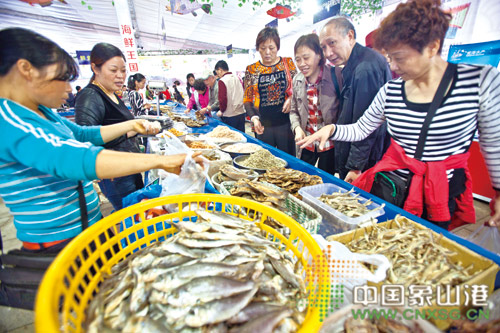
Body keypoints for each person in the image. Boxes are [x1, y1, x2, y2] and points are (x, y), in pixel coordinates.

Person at [0, 28, 204, 307]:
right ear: (26, 70)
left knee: (105, 297)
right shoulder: (8, 120)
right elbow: (74, 158)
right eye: (62, 78)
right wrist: (160, 161)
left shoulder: (41, 112)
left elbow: (83, 135)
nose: (70, 89)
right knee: (83, 309)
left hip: (87, 230)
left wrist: (132, 124)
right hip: (58, 244)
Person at [298, 0, 500, 230]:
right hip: (394, 187)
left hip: (443, 190)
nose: (392, 66)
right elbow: (363, 127)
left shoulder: (479, 81)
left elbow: (494, 143)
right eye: (389, 57)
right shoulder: (392, 91)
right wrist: (332, 130)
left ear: (432, 47)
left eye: (399, 57)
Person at [319, 16, 391, 183]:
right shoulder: (355, 63)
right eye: (323, 47)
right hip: (352, 149)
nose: (328, 53)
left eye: (332, 43)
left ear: (349, 36)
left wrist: (355, 166)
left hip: (364, 162)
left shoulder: (366, 68)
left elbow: (365, 124)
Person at [74, 44, 144, 211]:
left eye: (123, 70)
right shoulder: (90, 95)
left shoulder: (110, 92)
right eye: (113, 70)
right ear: (95, 68)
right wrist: (130, 131)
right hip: (115, 174)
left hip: (128, 166)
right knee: (130, 216)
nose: (120, 76)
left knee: (137, 213)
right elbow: (86, 138)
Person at [243, 27, 297, 156]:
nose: (267, 52)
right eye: (262, 48)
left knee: (288, 159)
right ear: (258, 48)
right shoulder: (252, 69)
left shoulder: (288, 64)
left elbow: (299, 88)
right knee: (266, 161)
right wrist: (254, 118)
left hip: (286, 124)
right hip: (263, 125)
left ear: (277, 47)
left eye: (271, 48)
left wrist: (291, 99)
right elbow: (247, 100)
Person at [290, 34, 339, 174]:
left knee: (326, 179)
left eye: (306, 58)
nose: (301, 64)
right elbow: (294, 111)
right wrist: (297, 128)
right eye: (298, 60)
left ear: (319, 55)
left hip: (329, 144)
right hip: (306, 142)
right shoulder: (297, 80)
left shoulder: (335, 76)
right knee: (301, 176)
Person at [214, 60, 246, 132]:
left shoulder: (222, 81)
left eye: (217, 72)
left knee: (232, 137)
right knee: (241, 135)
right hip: (241, 112)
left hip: (230, 115)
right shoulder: (237, 77)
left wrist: (221, 110)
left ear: (220, 70)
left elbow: (222, 99)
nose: (218, 75)